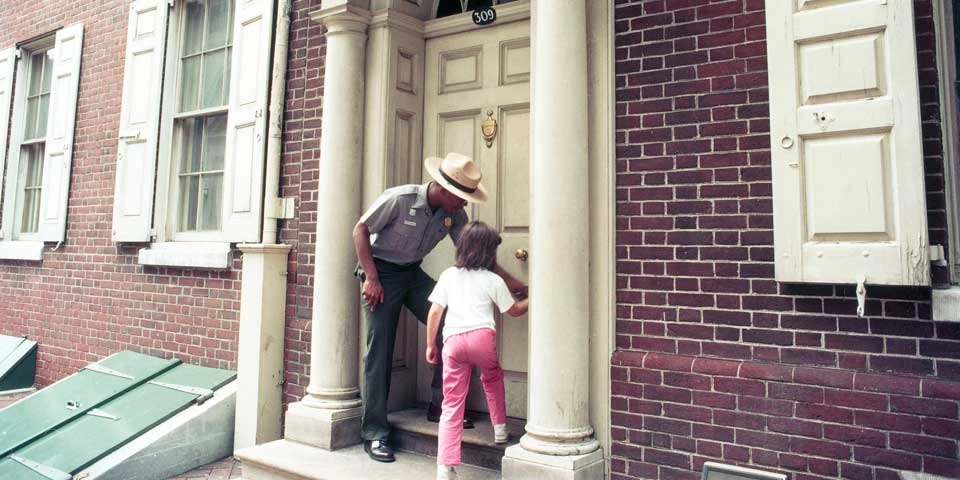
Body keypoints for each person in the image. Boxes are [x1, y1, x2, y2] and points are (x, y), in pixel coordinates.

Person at [353, 152, 525, 463]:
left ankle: (440, 405)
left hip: (411, 272)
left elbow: (476, 254)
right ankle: (375, 433)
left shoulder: (453, 215)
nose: (465, 205)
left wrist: (511, 282)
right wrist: (372, 278)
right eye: (461, 198)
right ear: (444, 190)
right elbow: (360, 231)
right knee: (379, 350)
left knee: (451, 323)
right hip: (380, 274)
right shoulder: (400, 199)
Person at [426, 221, 529, 480]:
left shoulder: (449, 275)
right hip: (482, 339)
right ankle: (500, 429)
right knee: (492, 378)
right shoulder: (492, 279)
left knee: (451, 402)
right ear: (488, 252)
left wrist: (430, 344)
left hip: (453, 344)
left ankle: (445, 468)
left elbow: (435, 311)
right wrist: (534, 296)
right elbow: (514, 311)